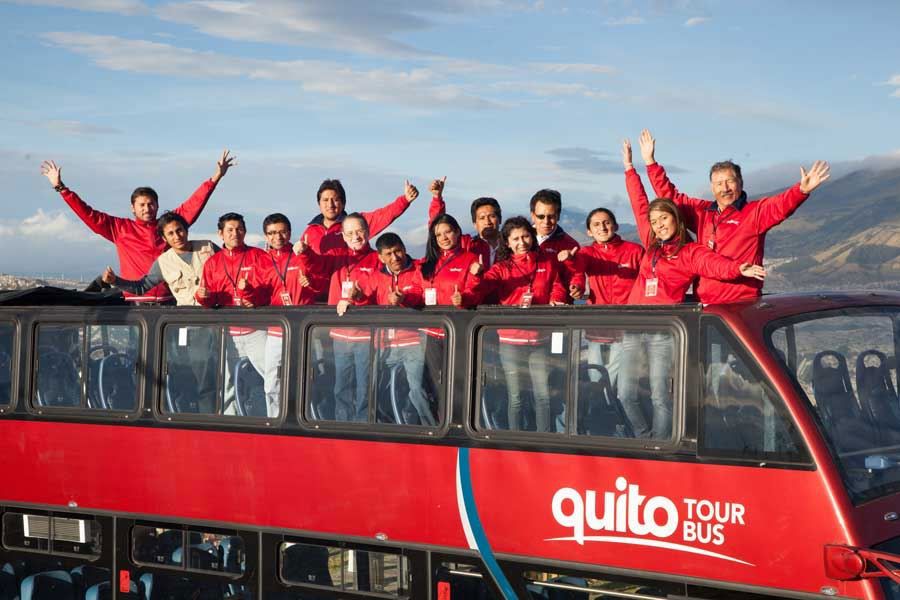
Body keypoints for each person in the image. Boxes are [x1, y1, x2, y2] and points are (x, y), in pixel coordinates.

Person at [621, 139, 766, 440]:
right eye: (655, 220)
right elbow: (639, 201)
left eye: (665, 218)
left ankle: (660, 448)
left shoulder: (690, 252)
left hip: (664, 330)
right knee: (626, 393)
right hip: (633, 326)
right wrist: (632, 168)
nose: (659, 224)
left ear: (677, 219)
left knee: (661, 395)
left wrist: (738, 269)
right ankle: (645, 438)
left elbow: (714, 264)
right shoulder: (651, 242)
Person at [638, 129, 830, 304]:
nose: (725, 188)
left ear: (740, 183)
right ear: (712, 188)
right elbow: (671, 197)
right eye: (719, 183)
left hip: (740, 303)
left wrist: (801, 190)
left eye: (730, 181)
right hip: (705, 305)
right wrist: (650, 163)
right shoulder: (702, 213)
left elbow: (780, 205)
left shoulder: (754, 213)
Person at [40, 151, 235, 303]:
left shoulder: (169, 227)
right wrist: (62, 188)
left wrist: (216, 177)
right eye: (141, 205)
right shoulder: (119, 228)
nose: (147, 208)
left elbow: (194, 203)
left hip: (169, 304)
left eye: (151, 204)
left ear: (157, 205)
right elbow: (89, 214)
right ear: (132, 208)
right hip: (135, 306)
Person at [464, 217, 567, 433]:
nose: (522, 242)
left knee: (543, 396)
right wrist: (476, 276)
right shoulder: (502, 268)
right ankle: (515, 439)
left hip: (540, 340)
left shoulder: (547, 263)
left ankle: (543, 440)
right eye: (516, 238)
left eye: (526, 236)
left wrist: (556, 299)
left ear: (533, 237)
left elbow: (557, 287)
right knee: (516, 397)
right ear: (508, 243)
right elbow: (479, 291)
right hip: (510, 342)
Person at [295, 214, 382, 422]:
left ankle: (363, 429)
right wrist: (305, 252)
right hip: (340, 335)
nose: (356, 236)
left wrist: (358, 300)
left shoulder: (378, 259)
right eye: (350, 233)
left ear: (368, 232)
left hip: (366, 336)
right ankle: (342, 427)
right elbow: (318, 264)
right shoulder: (336, 256)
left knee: (365, 389)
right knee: (341, 387)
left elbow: (379, 292)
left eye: (359, 231)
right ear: (343, 236)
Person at [348, 233, 435, 426]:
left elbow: (425, 299)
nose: (395, 257)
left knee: (417, 389)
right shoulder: (375, 277)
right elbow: (365, 302)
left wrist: (405, 300)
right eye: (389, 254)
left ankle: (430, 430)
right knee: (374, 389)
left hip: (413, 341)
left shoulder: (419, 270)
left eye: (398, 251)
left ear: (404, 249)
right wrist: (357, 297)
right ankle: (381, 426)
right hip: (383, 344)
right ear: (380, 257)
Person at [557, 207, 644, 389]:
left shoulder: (634, 251)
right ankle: (601, 406)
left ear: (616, 225)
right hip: (597, 324)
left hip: (627, 326)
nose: (602, 228)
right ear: (589, 231)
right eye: (596, 224)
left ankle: (609, 407)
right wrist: (573, 273)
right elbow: (578, 271)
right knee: (595, 373)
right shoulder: (587, 253)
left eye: (606, 222)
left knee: (617, 375)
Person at [197, 212, 274, 416]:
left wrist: (253, 295)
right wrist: (202, 296)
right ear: (220, 233)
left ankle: (275, 419)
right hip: (227, 334)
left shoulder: (259, 256)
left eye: (239, 229)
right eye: (230, 230)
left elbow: (270, 289)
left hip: (256, 330)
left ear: (245, 231)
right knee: (227, 383)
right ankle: (229, 424)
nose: (235, 233)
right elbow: (210, 301)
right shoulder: (213, 263)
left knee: (273, 378)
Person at [259, 213, 320, 418]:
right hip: (277, 330)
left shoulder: (301, 254)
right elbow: (258, 293)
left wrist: (310, 283)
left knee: (306, 379)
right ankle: (274, 419)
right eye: (272, 233)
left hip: (304, 329)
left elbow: (320, 284)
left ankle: (305, 420)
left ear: (290, 232)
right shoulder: (262, 260)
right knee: (271, 382)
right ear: (266, 237)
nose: (278, 237)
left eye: (282, 231)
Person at [101, 212, 217, 306]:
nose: (177, 237)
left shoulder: (208, 247)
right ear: (164, 238)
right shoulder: (163, 262)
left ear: (186, 230)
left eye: (179, 230)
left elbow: (231, 264)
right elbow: (141, 287)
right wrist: (115, 281)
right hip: (187, 319)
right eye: (170, 233)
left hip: (217, 314)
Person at [301, 179, 419, 254]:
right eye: (325, 200)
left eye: (335, 200)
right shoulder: (310, 231)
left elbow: (384, 215)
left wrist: (405, 200)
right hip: (318, 290)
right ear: (319, 204)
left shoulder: (356, 223)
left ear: (343, 203)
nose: (330, 204)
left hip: (349, 284)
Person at [427, 177, 502, 267]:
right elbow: (437, 225)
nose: (487, 221)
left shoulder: (512, 243)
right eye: (482, 218)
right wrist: (437, 198)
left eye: (492, 216)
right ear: (474, 224)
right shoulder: (466, 244)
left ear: (500, 219)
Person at [529, 189, 580, 301]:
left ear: (558, 215)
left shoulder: (570, 245)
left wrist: (576, 287)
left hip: (556, 310)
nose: (546, 221)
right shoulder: (518, 240)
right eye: (541, 216)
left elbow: (576, 276)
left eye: (551, 216)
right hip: (519, 308)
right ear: (532, 215)